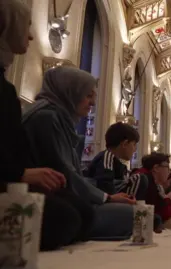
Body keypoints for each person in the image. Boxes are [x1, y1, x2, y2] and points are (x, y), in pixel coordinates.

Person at [0, 0, 95, 251]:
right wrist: (19, 174)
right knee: (67, 216)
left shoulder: (7, 89)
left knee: (75, 213)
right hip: (10, 183)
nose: (31, 35)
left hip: (14, 181)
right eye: (26, 25)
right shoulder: (46, 117)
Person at [22, 66, 137, 240]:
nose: (93, 103)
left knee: (135, 214)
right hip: (46, 201)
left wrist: (106, 198)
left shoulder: (60, 120)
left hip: (67, 198)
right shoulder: (46, 118)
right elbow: (64, 172)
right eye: (88, 95)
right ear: (69, 92)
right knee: (133, 215)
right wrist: (107, 198)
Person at [85, 122, 148, 200]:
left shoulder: (117, 163)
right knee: (139, 178)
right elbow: (105, 186)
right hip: (106, 203)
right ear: (124, 144)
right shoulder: (107, 156)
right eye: (134, 144)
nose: (135, 149)